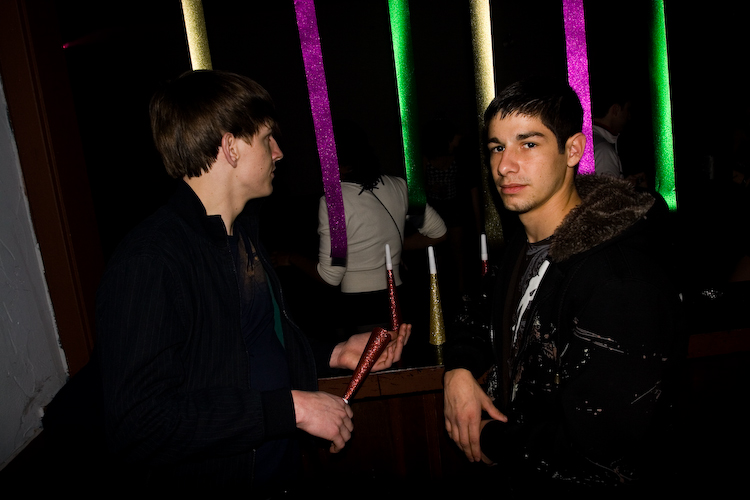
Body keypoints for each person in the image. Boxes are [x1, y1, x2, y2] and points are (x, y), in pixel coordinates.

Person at [89, 70, 410, 493]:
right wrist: (291, 409)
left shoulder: (241, 237)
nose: (278, 152)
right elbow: (139, 424)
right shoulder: (151, 261)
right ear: (231, 148)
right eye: (266, 138)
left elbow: (253, 348)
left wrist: (335, 352)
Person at [442, 78, 683, 494]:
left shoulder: (616, 278)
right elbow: (481, 308)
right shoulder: (527, 243)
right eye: (497, 147)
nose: (505, 166)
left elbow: (603, 452)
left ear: (573, 150)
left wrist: (489, 439)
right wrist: (459, 369)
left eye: (528, 144)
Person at [277, 120, 447, 337]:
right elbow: (438, 233)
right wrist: (390, 245)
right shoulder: (398, 185)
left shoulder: (336, 201)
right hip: (399, 297)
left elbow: (331, 275)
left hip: (359, 307)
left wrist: (291, 257)